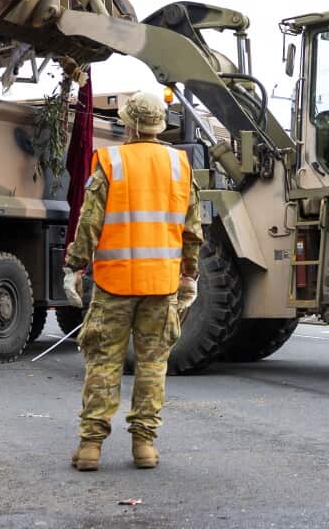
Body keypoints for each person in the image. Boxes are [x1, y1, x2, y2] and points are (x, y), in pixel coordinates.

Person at [61, 90, 203, 472]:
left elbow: (89, 223)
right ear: (160, 125)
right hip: (161, 284)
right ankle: (144, 446)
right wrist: (189, 274)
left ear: (128, 124)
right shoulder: (179, 165)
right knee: (153, 365)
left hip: (114, 284)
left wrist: (73, 267)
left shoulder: (112, 161)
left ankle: (91, 447)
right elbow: (192, 230)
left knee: (103, 363)